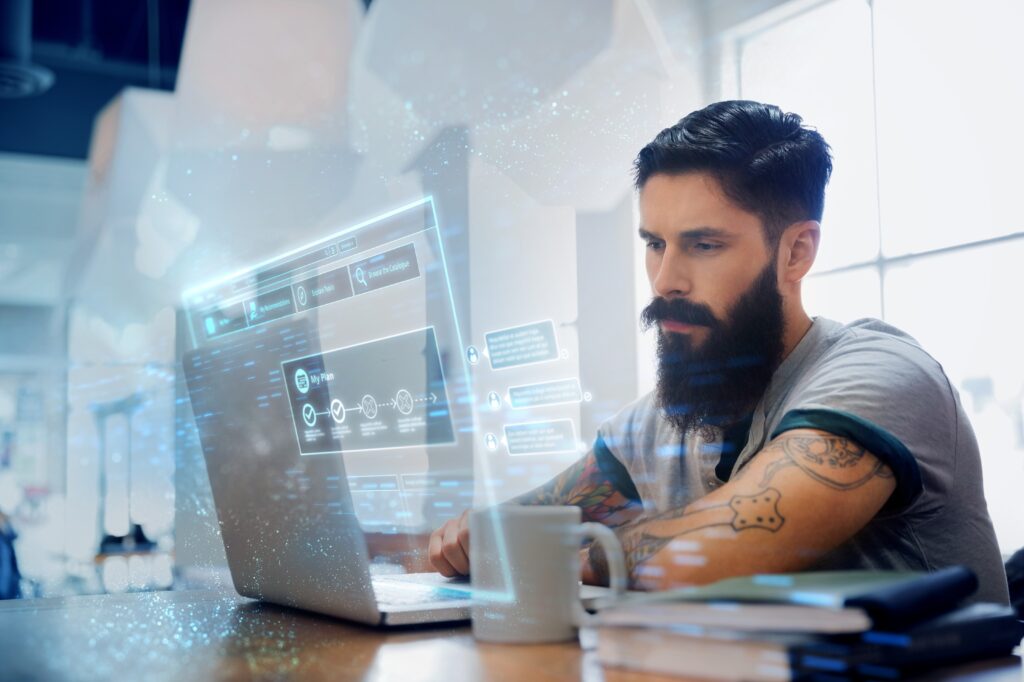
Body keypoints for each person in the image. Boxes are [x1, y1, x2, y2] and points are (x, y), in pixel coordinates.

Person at [428, 100, 1009, 603]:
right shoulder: (651, 422)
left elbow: (729, 547)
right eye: (655, 244)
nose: (664, 281)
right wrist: (476, 539)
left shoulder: (883, 374)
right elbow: (516, 527)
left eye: (703, 245)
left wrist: (545, 558)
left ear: (796, 253)